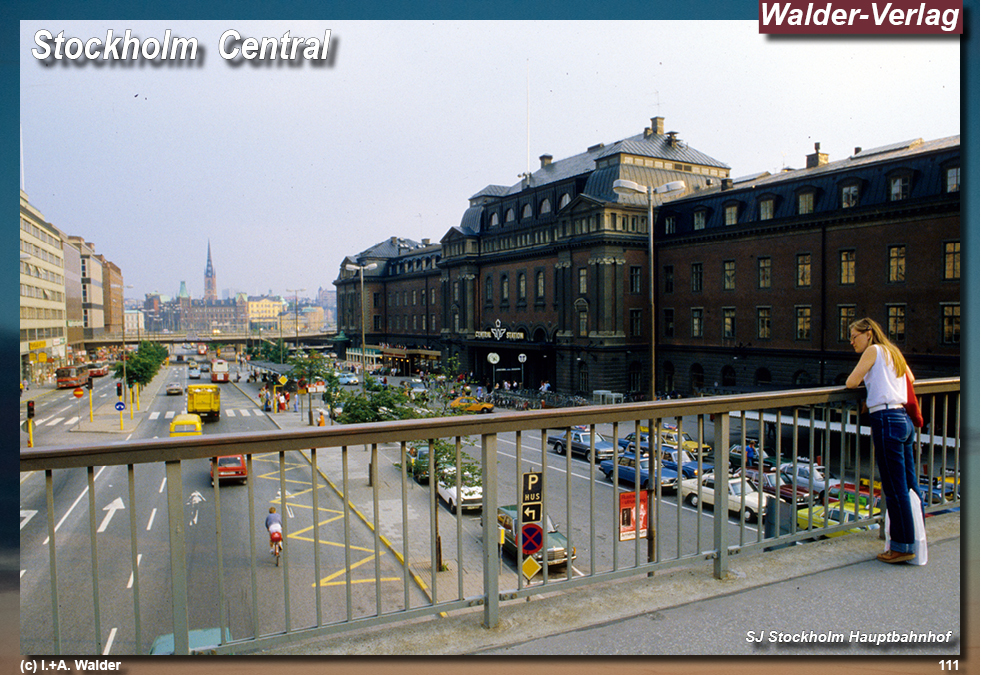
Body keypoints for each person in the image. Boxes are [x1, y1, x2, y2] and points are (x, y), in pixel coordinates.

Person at [846, 317, 919, 564]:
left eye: (854, 336)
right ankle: (916, 537)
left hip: (886, 420)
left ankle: (902, 547)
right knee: (910, 485)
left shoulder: (873, 351)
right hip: (903, 419)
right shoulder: (893, 351)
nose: (851, 342)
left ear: (868, 334)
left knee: (895, 488)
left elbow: (851, 382)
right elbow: (911, 379)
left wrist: (871, 391)